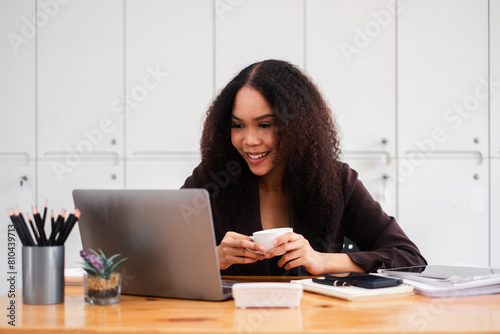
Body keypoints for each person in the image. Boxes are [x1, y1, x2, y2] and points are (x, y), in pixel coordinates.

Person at [182, 59, 426, 276]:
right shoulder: (211, 180)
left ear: (298, 126)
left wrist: (322, 261)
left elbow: (408, 258)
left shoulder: (337, 181)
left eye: (265, 125)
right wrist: (212, 258)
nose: (249, 140)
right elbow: (150, 258)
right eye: (238, 125)